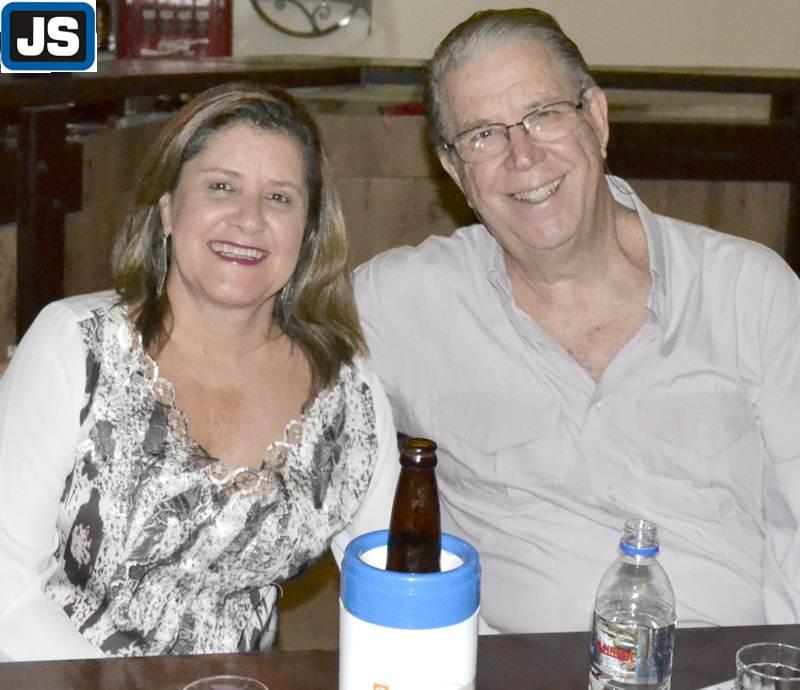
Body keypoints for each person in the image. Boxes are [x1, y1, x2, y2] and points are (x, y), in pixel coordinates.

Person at [354, 8, 800, 634]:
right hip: (513, 669)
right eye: (483, 134)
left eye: (544, 114)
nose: (522, 155)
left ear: (596, 117)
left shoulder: (750, 292)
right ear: (454, 170)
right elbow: (269, 363)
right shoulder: (400, 302)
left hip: (718, 663)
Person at [0, 82, 398, 660]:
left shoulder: (349, 398)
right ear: (168, 209)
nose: (249, 219)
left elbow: (395, 592)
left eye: (279, 198)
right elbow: (7, 589)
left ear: (309, 232)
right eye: (221, 187)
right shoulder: (76, 346)